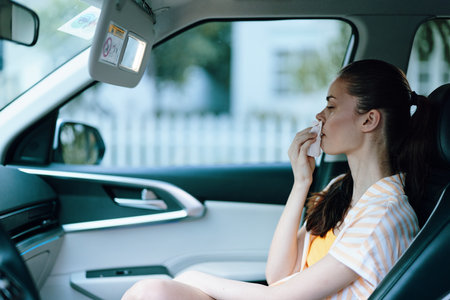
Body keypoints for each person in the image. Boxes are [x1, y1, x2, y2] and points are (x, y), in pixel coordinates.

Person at [121, 59, 432, 300]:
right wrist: (301, 183)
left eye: (331, 106)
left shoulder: (384, 216)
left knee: (153, 292)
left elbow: (280, 296)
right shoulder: (340, 190)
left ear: (369, 119)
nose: (320, 116)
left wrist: (194, 277)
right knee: (154, 292)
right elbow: (279, 274)